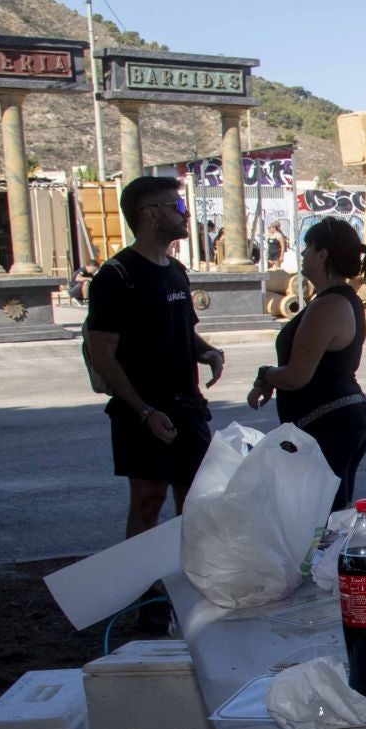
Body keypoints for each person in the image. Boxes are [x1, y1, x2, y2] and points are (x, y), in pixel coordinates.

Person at [85, 175, 225, 542]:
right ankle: (142, 592)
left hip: (187, 408)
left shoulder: (176, 272)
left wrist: (206, 351)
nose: (186, 214)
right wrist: (144, 411)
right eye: (177, 207)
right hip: (141, 413)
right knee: (148, 501)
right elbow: (103, 356)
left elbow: (181, 331)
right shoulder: (116, 277)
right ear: (149, 215)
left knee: (195, 502)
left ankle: (190, 584)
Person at [247, 217, 366, 511]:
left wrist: (265, 375)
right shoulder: (335, 300)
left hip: (330, 424)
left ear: (322, 254)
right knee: (327, 516)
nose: (304, 255)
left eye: (308, 248)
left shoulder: (328, 305)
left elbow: (297, 376)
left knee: (320, 519)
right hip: (334, 421)